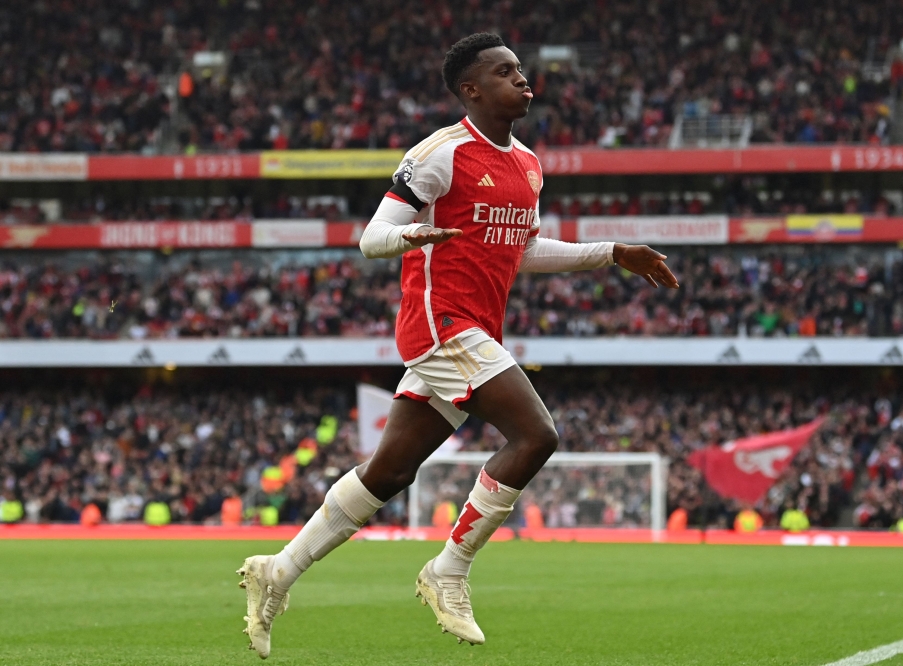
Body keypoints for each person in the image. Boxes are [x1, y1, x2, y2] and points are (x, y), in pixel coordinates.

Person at [237, 32, 678, 659]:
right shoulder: (441, 154)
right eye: (505, 72)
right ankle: (450, 568)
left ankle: (277, 571)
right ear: (471, 89)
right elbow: (370, 238)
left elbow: (523, 252)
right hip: (442, 324)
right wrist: (417, 235)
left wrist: (613, 253)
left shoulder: (527, 164)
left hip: (474, 330)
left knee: (389, 471)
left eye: (521, 69)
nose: (522, 79)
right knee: (536, 436)